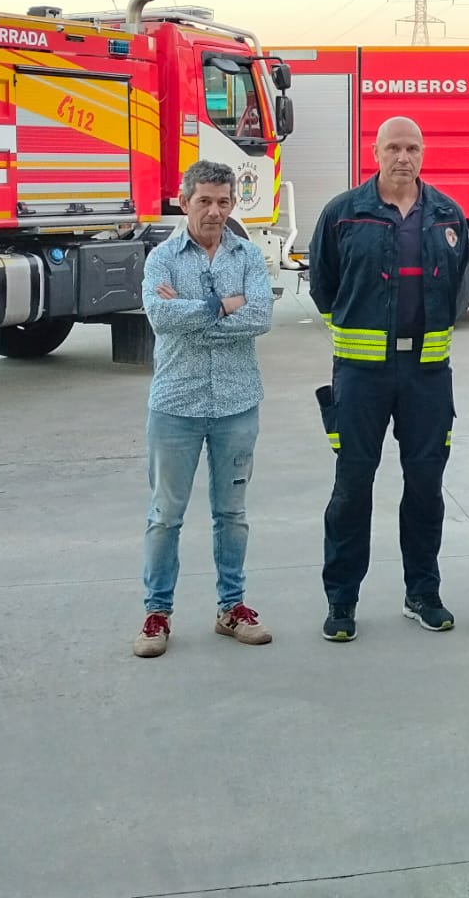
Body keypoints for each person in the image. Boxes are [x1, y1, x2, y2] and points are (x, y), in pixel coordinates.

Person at [310, 116, 469, 642]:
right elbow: (323, 287)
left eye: (413, 148)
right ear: (375, 152)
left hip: (427, 376)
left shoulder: (447, 214)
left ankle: (422, 592)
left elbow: (457, 291)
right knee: (353, 487)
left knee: (425, 487)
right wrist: (358, 339)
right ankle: (342, 601)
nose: (404, 156)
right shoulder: (343, 214)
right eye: (394, 148)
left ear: (423, 153)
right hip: (361, 376)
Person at [132, 160, 275, 658]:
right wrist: (222, 304)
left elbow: (260, 315)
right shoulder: (162, 259)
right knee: (165, 514)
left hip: (237, 405)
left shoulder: (249, 256)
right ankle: (156, 614)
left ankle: (231, 608)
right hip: (176, 405)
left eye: (223, 201)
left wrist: (195, 310)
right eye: (204, 201)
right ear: (183, 201)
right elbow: (159, 316)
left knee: (232, 513)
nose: (214, 211)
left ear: (233, 203)